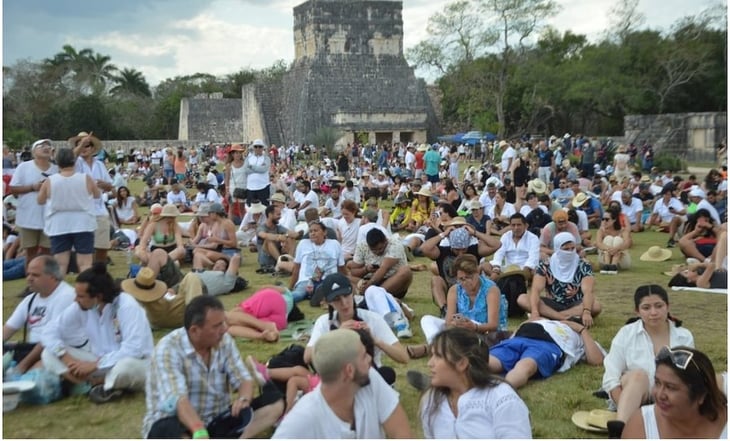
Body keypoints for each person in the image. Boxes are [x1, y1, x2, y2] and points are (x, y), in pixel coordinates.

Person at [142, 296, 284, 439]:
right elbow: (178, 399)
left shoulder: (224, 340)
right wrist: (199, 430)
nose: (225, 329)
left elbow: (243, 379)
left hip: (216, 420)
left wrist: (243, 400)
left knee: (275, 402)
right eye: (217, 326)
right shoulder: (168, 349)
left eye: (223, 322)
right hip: (180, 423)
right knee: (168, 430)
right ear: (194, 330)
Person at [41, 262, 154, 404]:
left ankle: (100, 385)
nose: (76, 300)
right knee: (49, 353)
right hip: (98, 362)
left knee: (124, 368)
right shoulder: (81, 306)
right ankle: (91, 385)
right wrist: (66, 358)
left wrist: (96, 365)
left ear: (98, 296)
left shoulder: (127, 306)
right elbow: (49, 331)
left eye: (80, 296)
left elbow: (134, 349)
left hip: (136, 363)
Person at [273, 328, 412, 439]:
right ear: (349, 371)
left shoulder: (371, 379)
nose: (370, 359)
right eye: (364, 355)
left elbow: (401, 433)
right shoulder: (303, 419)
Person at [600, 285, 695, 438]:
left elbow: (690, 376)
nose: (653, 313)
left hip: (670, 399)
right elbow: (611, 376)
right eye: (646, 307)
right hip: (633, 396)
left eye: (659, 306)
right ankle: (620, 430)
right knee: (638, 375)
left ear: (668, 307)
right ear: (637, 311)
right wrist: (625, 405)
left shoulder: (684, 336)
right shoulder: (626, 334)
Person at [416, 327, 532, 438]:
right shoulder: (431, 400)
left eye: (438, 356)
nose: (430, 363)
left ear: (462, 363)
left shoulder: (502, 399)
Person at [304, 273, 408, 380]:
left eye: (346, 295)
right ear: (328, 302)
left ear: (352, 292)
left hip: (370, 376)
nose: (344, 303)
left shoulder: (372, 319)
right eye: (336, 299)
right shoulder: (324, 322)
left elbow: (403, 357)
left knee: (386, 374)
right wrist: (336, 336)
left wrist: (375, 340)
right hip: (338, 379)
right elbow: (307, 357)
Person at [407, 254, 508, 359]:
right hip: (461, 329)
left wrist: (474, 327)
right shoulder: (455, 290)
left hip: (484, 331)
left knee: (465, 329)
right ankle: (437, 345)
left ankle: (430, 348)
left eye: (469, 277)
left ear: (477, 273)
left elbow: (493, 325)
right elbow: (448, 321)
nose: (465, 282)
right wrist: (454, 324)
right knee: (427, 319)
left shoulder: (491, 290)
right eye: (461, 279)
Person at [622, 346, 727, 439]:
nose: (660, 395)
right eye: (657, 383)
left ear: (701, 395)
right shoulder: (642, 425)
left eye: (670, 387)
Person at [3, 256, 75, 374]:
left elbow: (50, 340)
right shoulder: (30, 299)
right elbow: (7, 330)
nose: (29, 279)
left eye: (35, 275)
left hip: (56, 351)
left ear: (52, 276)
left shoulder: (66, 297)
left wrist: (22, 366)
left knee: (32, 377)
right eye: (28, 274)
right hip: (31, 350)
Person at [487, 318, 604, 389]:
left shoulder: (578, 335)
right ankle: (471, 378)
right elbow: (522, 326)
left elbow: (597, 360)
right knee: (491, 360)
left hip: (548, 345)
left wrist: (582, 330)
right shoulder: (546, 321)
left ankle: (503, 390)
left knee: (526, 365)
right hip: (520, 337)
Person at [37, 147, 100, 276]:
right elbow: (97, 195)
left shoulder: (50, 181)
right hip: (83, 223)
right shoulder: (86, 178)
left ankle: (57, 292)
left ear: (58, 162)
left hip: (59, 224)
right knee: (85, 263)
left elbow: (40, 200)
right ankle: (87, 290)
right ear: (74, 161)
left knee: (60, 263)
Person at [519, 232, 601, 323]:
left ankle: (553, 316)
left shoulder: (583, 265)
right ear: (557, 248)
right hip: (552, 303)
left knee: (595, 306)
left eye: (572, 248)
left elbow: (588, 291)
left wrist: (586, 311)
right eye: (566, 249)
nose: (570, 252)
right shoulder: (545, 265)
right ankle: (564, 317)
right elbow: (536, 290)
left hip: (576, 304)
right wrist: (534, 312)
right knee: (523, 299)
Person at [9, 139, 58, 276]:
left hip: (50, 218)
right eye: (41, 146)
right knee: (30, 253)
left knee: (48, 253)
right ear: (33, 151)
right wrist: (33, 187)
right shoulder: (23, 167)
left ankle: (47, 283)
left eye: (48, 146)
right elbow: (13, 189)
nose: (46, 148)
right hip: (28, 217)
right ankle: (31, 286)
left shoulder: (55, 169)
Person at [288, 220, 346, 304]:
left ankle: (320, 294)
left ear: (325, 232)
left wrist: (345, 281)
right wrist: (290, 287)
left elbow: (341, 268)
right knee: (298, 294)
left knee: (328, 287)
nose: (312, 233)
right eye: (310, 231)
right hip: (306, 280)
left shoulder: (334, 244)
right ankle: (280, 300)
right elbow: (297, 267)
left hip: (328, 280)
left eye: (316, 231)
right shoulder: (303, 244)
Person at [347, 228, 413, 299]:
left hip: (391, 282)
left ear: (386, 241)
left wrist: (368, 286)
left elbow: (384, 269)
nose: (377, 252)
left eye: (380, 249)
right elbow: (354, 272)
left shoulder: (395, 245)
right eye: (373, 250)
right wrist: (366, 269)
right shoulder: (362, 246)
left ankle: (373, 296)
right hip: (367, 281)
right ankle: (370, 295)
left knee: (406, 271)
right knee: (344, 277)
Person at [225, 286, 294, 342]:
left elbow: (265, 287)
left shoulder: (286, 294)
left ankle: (263, 330)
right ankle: (262, 336)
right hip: (279, 322)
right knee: (229, 329)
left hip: (273, 303)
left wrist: (247, 301)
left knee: (227, 319)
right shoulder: (287, 296)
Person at [596, 207, 633, 273]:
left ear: (614, 220)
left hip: (621, 261)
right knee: (608, 238)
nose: (604, 221)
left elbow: (627, 243)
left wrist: (616, 249)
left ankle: (614, 264)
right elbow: (598, 243)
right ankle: (607, 265)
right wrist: (609, 249)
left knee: (617, 239)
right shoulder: (601, 231)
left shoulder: (623, 230)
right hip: (604, 259)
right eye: (603, 219)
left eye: (607, 219)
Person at [244, 139, 272, 205]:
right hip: (250, 187)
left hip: (263, 186)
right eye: (256, 146)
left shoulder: (266, 158)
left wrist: (251, 166)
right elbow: (246, 170)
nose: (258, 148)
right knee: (250, 207)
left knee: (264, 207)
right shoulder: (248, 158)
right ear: (253, 148)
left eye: (260, 146)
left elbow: (264, 169)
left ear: (263, 148)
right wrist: (258, 168)